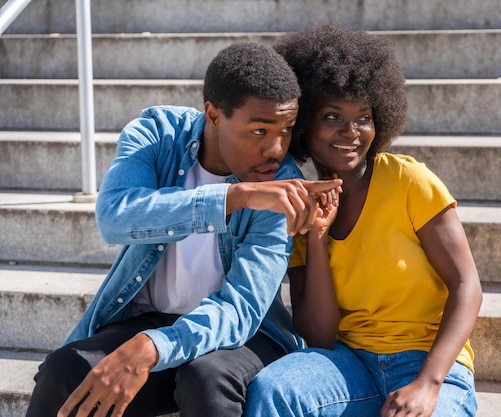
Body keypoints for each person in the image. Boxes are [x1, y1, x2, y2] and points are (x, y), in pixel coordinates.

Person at [26, 42, 342, 417]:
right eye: (259, 130)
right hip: (151, 318)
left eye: (286, 129)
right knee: (68, 371)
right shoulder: (158, 134)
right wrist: (233, 197)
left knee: (206, 377)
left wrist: (152, 346)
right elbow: (115, 216)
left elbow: (241, 309)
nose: (276, 148)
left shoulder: (283, 186)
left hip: (243, 336)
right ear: (213, 114)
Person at [245, 24, 483, 417]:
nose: (351, 132)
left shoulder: (408, 181)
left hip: (427, 363)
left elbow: (467, 284)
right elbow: (318, 335)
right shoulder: (304, 207)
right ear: (304, 123)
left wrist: (428, 383)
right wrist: (318, 238)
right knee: (273, 389)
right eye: (333, 116)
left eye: (364, 117)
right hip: (350, 363)